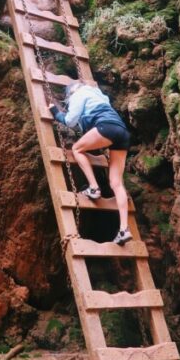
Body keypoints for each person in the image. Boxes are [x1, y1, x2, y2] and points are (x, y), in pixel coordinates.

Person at [49, 80, 132, 245]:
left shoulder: (78, 94)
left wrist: (55, 112)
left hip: (106, 127)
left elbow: (71, 121)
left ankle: (93, 188)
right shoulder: (98, 94)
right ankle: (124, 229)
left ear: (71, 93)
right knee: (116, 183)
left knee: (77, 149)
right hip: (122, 133)